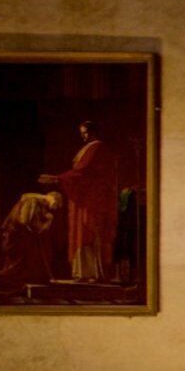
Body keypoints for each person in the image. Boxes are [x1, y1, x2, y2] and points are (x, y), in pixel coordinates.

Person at [57, 119, 120, 285]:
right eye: (82, 133)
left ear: (94, 132)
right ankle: (82, 272)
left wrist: (58, 178)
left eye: (85, 133)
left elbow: (84, 172)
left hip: (91, 199)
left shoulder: (97, 148)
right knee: (81, 233)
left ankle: (93, 273)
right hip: (83, 197)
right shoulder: (89, 148)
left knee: (89, 231)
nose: (83, 136)